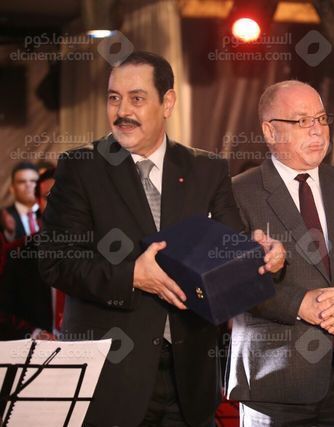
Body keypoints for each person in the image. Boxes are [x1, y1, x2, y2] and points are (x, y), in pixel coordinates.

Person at [38, 51, 285, 427]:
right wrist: (131, 276)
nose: (122, 110)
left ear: (167, 102)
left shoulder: (207, 168)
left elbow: (232, 255)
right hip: (110, 381)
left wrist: (266, 258)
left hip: (190, 380)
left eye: (136, 98)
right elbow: (56, 262)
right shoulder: (81, 167)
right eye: (114, 98)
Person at [226, 80, 334, 426]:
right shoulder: (237, 193)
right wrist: (301, 304)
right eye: (302, 121)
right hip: (276, 383)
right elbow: (230, 282)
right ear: (269, 131)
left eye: (321, 118)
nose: (317, 130)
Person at [0, 168, 57, 341]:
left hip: (90, 350)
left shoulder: (96, 250)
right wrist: (35, 335)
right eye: (48, 197)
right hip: (35, 352)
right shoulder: (17, 253)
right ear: (38, 202)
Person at [1, 161, 40, 241]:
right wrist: (9, 234)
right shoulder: (2, 218)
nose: (28, 185)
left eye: (33, 181)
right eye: (22, 182)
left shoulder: (53, 213)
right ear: (12, 188)